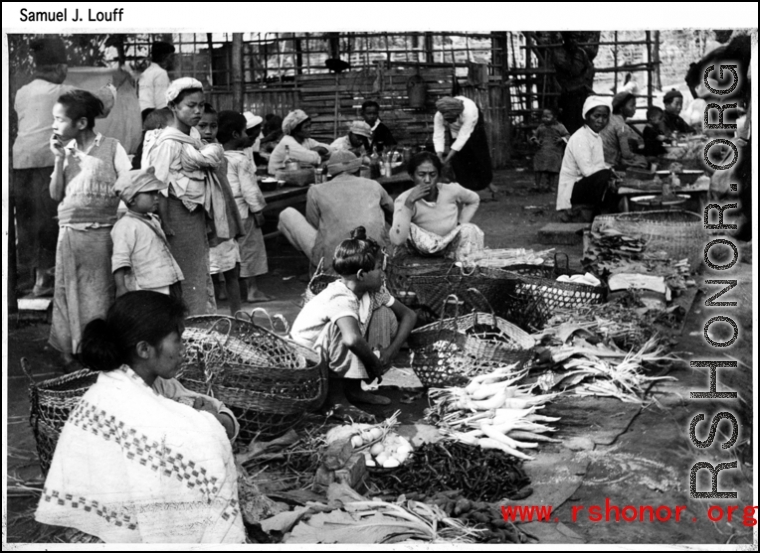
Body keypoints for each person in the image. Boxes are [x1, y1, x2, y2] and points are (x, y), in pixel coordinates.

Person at [35, 291, 245, 543]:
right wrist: (205, 425)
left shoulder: (156, 384)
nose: (183, 349)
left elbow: (214, 412)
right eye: (177, 340)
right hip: (102, 533)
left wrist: (214, 419)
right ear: (144, 349)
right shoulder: (115, 397)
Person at [12, 37, 116, 297]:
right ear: (59, 68)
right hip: (47, 162)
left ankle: (27, 279)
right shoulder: (62, 93)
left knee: (26, 222)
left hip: (20, 163)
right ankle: (45, 280)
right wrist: (112, 88)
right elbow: (99, 107)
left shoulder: (22, 92)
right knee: (50, 220)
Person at [290, 228, 416, 420]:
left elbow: (408, 315)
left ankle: (354, 389)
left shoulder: (374, 292)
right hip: (308, 362)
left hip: (329, 358)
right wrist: (374, 364)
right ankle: (336, 401)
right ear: (361, 274)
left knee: (384, 314)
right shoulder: (340, 297)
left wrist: (390, 352)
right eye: (379, 269)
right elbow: (351, 340)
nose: (384, 274)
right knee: (344, 331)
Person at [48, 90, 132, 372]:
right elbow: (55, 194)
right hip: (69, 234)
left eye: (59, 119)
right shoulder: (65, 153)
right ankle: (69, 354)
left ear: (81, 123)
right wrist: (59, 161)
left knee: (99, 295)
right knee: (66, 293)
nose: (54, 125)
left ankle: (99, 353)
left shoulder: (111, 147)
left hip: (102, 236)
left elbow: (129, 186)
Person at [147, 78, 229, 316]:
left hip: (193, 217)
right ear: (173, 107)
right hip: (175, 219)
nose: (197, 111)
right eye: (190, 105)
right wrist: (165, 224)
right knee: (186, 276)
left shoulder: (193, 138)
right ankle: (190, 326)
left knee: (197, 274)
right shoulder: (168, 143)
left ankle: (199, 324)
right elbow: (158, 186)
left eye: (201, 105)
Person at [278, 150, 394, 274]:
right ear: (358, 169)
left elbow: (313, 225)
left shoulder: (316, 190)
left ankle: (319, 269)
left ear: (330, 172)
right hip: (373, 261)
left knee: (286, 214)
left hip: (337, 263)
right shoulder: (374, 185)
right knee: (382, 212)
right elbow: (391, 211)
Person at [219, 110, 273, 304]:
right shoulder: (241, 159)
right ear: (235, 135)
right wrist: (258, 210)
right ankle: (253, 290)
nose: (247, 136)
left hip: (223, 214)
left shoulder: (216, 157)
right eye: (244, 132)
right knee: (250, 250)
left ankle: (225, 289)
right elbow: (250, 190)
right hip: (243, 213)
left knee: (227, 251)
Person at [390, 152, 482, 261]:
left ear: (439, 176)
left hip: (450, 245)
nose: (427, 180)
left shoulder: (451, 191)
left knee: (470, 229)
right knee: (408, 226)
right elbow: (397, 240)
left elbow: (474, 199)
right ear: (412, 176)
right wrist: (409, 202)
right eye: (421, 174)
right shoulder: (404, 199)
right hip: (423, 250)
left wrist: (460, 224)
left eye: (432, 174)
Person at [111, 167, 183, 299]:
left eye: (156, 192)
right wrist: (121, 287)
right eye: (150, 194)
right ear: (132, 199)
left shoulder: (154, 219)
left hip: (167, 280)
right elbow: (120, 259)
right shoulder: (125, 225)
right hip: (147, 286)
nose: (156, 198)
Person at [556, 96, 620, 221]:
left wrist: (611, 171)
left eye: (605, 116)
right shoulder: (581, 138)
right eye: (597, 116)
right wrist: (609, 172)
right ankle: (597, 216)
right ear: (587, 116)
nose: (600, 120)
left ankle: (608, 215)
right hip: (573, 188)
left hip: (586, 184)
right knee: (605, 176)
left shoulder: (596, 137)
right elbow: (587, 171)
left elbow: (599, 165)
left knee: (611, 174)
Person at [433, 96, 495, 196]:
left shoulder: (469, 113)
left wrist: (447, 158)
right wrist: (439, 155)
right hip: (456, 129)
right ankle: (465, 186)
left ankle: (486, 183)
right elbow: (438, 134)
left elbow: (462, 138)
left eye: (452, 120)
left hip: (473, 125)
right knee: (459, 157)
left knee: (477, 151)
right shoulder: (439, 114)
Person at [549, 32, 600, 134]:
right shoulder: (559, 53)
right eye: (571, 38)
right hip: (566, 92)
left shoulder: (581, 53)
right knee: (568, 120)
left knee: (582, 119)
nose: (574, 41)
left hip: (580, 92)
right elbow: (571, 69)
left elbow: (589, 68)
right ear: (565, 39)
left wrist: (582, 80)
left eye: (576, 38)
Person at [267, 109, 333, 174]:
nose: (310, 129)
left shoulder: (306, 140)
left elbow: (330, 149)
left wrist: (319, 149)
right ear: (295, 130)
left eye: (309, 126)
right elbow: (312, 158)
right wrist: (318, 152)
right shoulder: (287, 142)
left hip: (292, 174)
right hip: (277, 176)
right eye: (306, 127)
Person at [600, 91, 647, 169]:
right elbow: (626, 154)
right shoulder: (622, 126)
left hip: (600, 158)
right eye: (632, 106)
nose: (635, 108)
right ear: (621, 108)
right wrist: (637, 156)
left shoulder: (609, 118)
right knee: (643, 162)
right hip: (610, 162)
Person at [530, 107, 569, 192]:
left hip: (554, 152)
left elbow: (567, 136)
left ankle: (551, 186)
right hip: (541, 151)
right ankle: (537, 185)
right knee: (538, 168)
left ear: (554, 117)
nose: (545, 118)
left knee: (553, 170)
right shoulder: (541, 127)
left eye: (547, 116)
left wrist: (561, 139)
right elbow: (534, 136)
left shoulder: (560, 127)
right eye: (543, 116)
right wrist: (535, 140)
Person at [136, 41, 175, 120]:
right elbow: (161, 103)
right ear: (164, 56)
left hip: (141, 115)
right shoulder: (160, 73)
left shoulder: (147, 72)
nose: (172, 60)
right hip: (152, 115)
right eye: (171, 57)